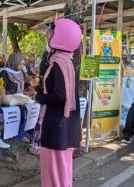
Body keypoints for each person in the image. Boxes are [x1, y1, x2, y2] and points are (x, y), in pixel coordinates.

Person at [35, 19, 82, 187]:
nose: (48, 35)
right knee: (62, 170)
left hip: (56, 124)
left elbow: (58, 96)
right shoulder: (67, 62)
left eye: (52, 32)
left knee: (53, 169)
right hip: (65, 125)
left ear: (62, 37)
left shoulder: (58, 64)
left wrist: (38, 96)